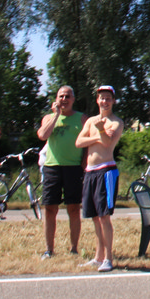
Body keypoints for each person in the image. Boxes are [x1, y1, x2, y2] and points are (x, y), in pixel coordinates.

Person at [75, 85, 124, 272]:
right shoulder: (91, 121)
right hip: (90, 171)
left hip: (106, 171)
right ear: (97, 100)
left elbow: (107, 143)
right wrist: (97, 135)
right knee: (95, 217)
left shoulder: (116, 122)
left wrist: (100, 132)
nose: (105, 101)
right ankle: (98, 256)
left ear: (113, 101)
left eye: (108, 98)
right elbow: (79, 142)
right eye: (102, 98)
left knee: (104, 216)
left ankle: (108, 258)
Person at [37, 86, 87, 259]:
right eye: (61, 96)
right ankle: (49, 249)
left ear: (73, 99)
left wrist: (84, 164)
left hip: (73, 168)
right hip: (52, 167)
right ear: (56, 99)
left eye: (68, 96)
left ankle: (74, 248)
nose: (64, 99)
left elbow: (88, 145)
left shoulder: (82, 119)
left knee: (73, 208)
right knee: (50, 208)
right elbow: (43, 135)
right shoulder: (49, 118)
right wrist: (56, 115)